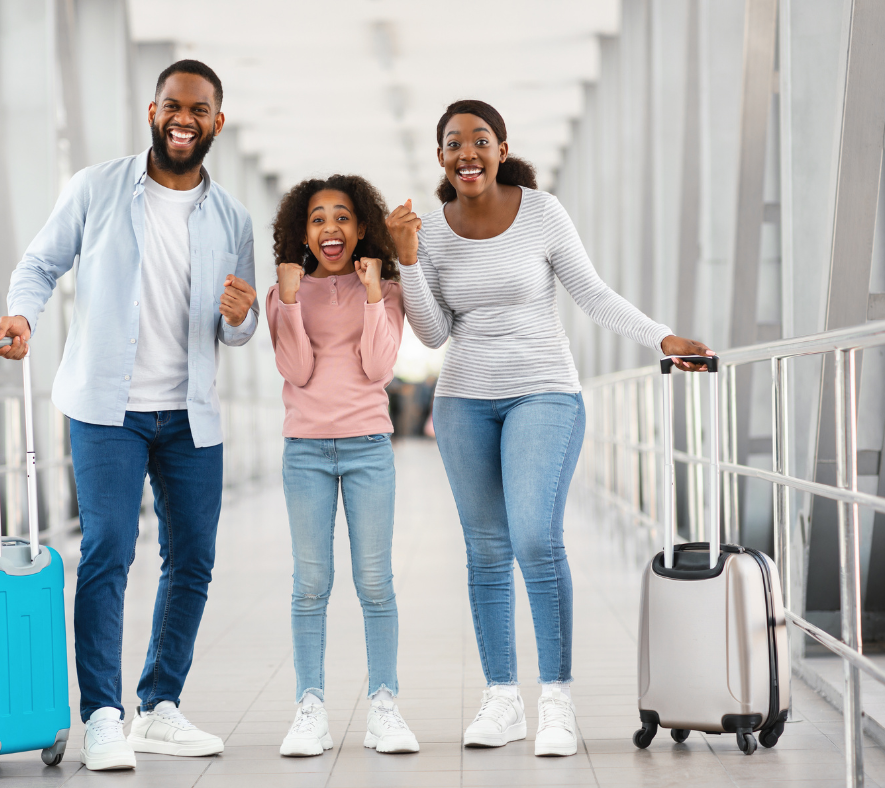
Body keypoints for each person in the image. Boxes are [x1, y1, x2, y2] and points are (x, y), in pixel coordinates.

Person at [386, 100, 712, 758]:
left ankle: (555, 700)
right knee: (485, 553)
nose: (467, 152)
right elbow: (432, 331)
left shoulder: (541, 212)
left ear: (502, 149)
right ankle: (502, 698)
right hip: (463, 402)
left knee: (535, 537)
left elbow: (592, 294)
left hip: (543, 392)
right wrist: (409, 260)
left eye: (480, 140)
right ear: (442, 157)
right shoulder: (431, 229)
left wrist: (660, 337)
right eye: (454, 143)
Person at [0, 60, 258, 771]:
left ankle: (159, 707)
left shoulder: (233, 216)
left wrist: (240, 318)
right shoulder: (96, 187)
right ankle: (103, 716)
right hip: (108, 410)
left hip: (191, 416)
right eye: (172, 105)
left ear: (216, 122)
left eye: (198, 109)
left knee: (193, 559)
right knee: (108, 551)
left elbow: (236, 328)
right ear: (152, 110)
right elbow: (41, 264)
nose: (183, 118)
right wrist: (23, 316)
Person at [265, 176, 418, 756]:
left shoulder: (386, 288)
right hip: (304, 450)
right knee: (311, 585)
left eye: (343, 217)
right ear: (302, 233)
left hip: (368, 449)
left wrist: (376, 292)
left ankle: (384, 706)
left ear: (362, 228)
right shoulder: (291, 289)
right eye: (317, 219)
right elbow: (296, 369)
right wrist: (285, 298)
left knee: (375, 583)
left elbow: (379, 369)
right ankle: (310, 708)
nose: (331, 228)